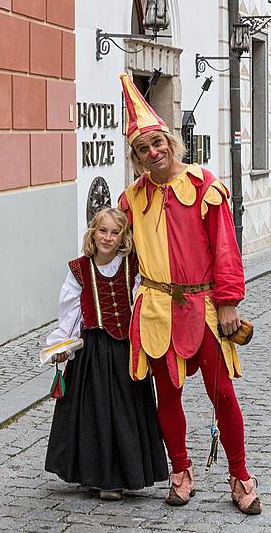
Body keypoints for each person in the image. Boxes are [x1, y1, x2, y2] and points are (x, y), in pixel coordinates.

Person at [118, 73, 262, 515]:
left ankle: (240, 476)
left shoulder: (204, 186)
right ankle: (180, 470)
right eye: (143, 149)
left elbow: (225, 247)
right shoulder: (132, 200)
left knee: (223, 397)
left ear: (170, 141)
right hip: (157, 309)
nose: (153, 153)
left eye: (157, 144)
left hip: (203, 309)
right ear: (137, 157)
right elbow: (113, 248)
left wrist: (229, 302)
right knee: (169, 398)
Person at [44, 207, 168, 499]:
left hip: (126, 352)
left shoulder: (133, 267)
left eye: (115, 232)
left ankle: (118, 478)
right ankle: (94, 474)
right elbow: (71, 316)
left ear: (123, 237)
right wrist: (62, 347)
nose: (108, 238)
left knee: (125, 413)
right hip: (93, 354)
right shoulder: (79, 270)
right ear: (93, 232)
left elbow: (143, 308)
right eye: (102, 231)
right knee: (93, 414)